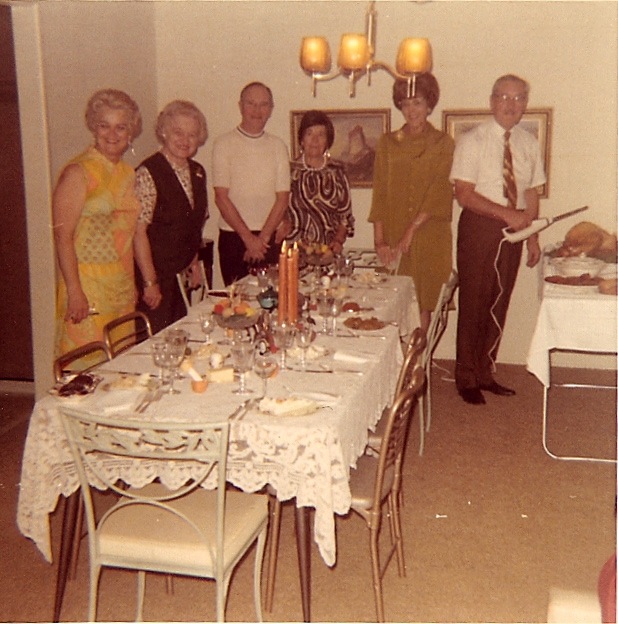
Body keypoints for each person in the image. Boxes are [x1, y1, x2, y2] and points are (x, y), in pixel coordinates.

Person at [450, 74, 546, 405]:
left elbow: (531, 193)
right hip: (480, 226)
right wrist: (507, 215)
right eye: (504, 97)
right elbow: (464, 194)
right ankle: (465, 377)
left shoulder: (528, 143)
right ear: (492, 101)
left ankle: (484, 372)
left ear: (525, 104)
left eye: (518, 98)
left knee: (499, 300)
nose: (510, 104)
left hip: (517, 229)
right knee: (474, 300)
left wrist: (532, 236)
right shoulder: (472, 141)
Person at [53, 88, 142, 357]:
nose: (112, 134)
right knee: (87, 363)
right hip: (87, 286)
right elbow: (62, 237)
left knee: (121, 363)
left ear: (130, 132)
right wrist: (75, 292)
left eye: (121, 127)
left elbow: (127, 234)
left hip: (120, 284)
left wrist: (132, 284)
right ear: (94, 127)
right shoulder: (78, 172)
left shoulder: (127, 173)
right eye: (104, 125)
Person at [369, 74, 454, 334]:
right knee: (392, 304)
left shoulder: (443, 143)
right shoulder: (388, 143)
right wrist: (379, 241)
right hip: (394, 232)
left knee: (422, 304)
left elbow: (438, 192)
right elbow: (380, 193)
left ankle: (418, 361)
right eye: (405, 104)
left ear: (429, 105)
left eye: (417, 102)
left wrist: (411, 231)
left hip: (429, 235)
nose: (411, 110)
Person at [133, 100, 209, 334]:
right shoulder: (148, 172)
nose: (185, 140)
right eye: (178, 132)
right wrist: (150, 282)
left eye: (192, 135)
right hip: (156, 276)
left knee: (181, 337)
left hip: (180, 277)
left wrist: (193, 262)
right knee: (156, 342)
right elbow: (138, 233)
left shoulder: (197, 171)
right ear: (164, 132)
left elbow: (193, 224)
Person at [212, 82, 290, 285]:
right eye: (251, 104)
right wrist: (249, 240)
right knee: (237, 301)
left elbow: (282, 199)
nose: (257, 110)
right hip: (234, 237)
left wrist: (261, 240)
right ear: (240, 106)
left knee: (272, 298)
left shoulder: (278, 146)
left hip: (269, 238)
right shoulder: (223, 144)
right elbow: (221, 198)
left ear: (271, 109)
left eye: (263, 105)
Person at [286, 110, 354, 254]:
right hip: (294, 251)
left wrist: (338, 241)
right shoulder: (289, 171)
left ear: (327, 141)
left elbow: (345, 216)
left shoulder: (337, 171)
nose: (315, 140)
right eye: (309, 134)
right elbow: (277, 209)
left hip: (327, 251)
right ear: (302, 140)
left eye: (321, 135)